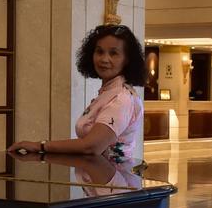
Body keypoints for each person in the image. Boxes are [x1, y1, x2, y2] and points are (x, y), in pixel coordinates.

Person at [8, 24, 145, 159]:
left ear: (127, 60)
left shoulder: (121, 98)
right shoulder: (108, 93)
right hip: (95, 171)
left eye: (113, 53)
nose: (104, 59)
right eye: (99, 52)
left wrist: (40, 146)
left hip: (113, 173)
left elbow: (91, 146)